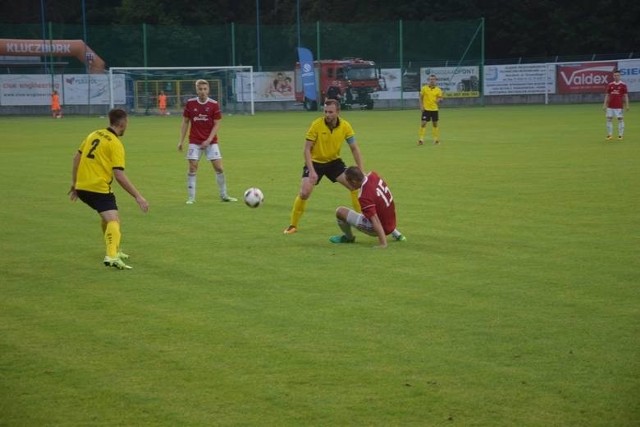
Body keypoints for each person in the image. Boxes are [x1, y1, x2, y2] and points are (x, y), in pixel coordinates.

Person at [69, 108, 149, 270]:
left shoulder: (94, 134)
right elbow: (119, 175)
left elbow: (76, 157)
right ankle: (111, 256)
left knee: (108, 217)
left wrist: (74, 183)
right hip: (97, 187)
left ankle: (114, 250)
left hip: (82, 186)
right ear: (123, 123)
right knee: (113, 220)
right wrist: (138, 196)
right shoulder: (115, 143)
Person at [283, 99, 363, 234]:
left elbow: (354, 148)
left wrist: (360, 170)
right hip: (315, 162)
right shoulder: (316, 125)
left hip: (334, 162)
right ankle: (293, 225)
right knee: (304, 193)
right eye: (325, 112)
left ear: (338, 112)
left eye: (331, 112)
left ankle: (363, 219)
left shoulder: (345, 126)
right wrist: (312, 171)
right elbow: (306, 150)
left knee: (355, 186)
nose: (327, 115)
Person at [177, 79, 237, 204]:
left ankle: (224, 195)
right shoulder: (190, 103)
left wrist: (208, 140)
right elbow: (185, 122)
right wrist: (181, 141)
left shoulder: (214, 104)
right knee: (192, 168)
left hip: (211, 142)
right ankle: (191, 198)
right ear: (197, 90)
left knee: (219, 168)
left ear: (208, 90)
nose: (203, 92)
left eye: (205, 89)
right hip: (194, 141)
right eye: (200, 89)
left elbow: (217, 124)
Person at [329, 166, 406, 248]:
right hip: (392, 221)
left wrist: (383, 244)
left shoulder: (364, 196)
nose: (347, 184)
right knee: (377, 207)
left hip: (383, 227)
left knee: (340, 212)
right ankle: (397, 234)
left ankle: (349, 238)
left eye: (348, 181)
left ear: (354, 181)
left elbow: (375, 220)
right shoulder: (373, 175)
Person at [603, 70, 629, 141]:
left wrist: (627, 105)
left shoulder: (623, 85)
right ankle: (610, 135)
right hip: (610, 106)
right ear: (613, 76)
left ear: (620, 76)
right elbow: (607, 95)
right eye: (615, 75)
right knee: (609, 119)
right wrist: (605, 104)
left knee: (620, 119)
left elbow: (626, 96)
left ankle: (620, 135)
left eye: (617, 75)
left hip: (618, 106)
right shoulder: (610, 84)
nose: (616, 77)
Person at [418, 74, 443, 145]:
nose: (432, 81)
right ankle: (421, 139)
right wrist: (421, 106)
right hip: (426, 109)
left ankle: (436, 140)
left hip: (434, 109)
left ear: (436, 80)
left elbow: (440, 98)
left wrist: (439, 100)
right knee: (423, 123)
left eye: (433, 79)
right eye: (430, 79)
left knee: (435, 124)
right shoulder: (424, 88)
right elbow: (420, 97)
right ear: (428, 80)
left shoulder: (438, 90)